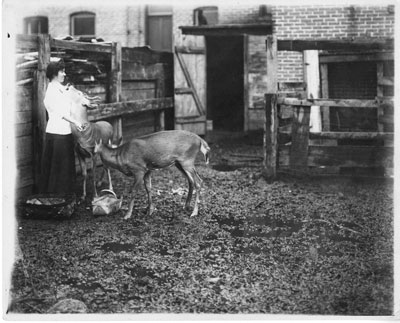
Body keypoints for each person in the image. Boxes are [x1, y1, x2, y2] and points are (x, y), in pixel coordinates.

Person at [39, 60, 83, 194]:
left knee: (65, 168)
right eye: (62, 71)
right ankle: (56, 198)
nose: (64, 74)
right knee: (58, 169)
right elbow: (60, 113)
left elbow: (70, 102)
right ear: (54, 73)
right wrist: (75, 122)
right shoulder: (52, 90)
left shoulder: (60, 89)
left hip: (64, 132)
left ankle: (65, 197)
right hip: (57, 134)